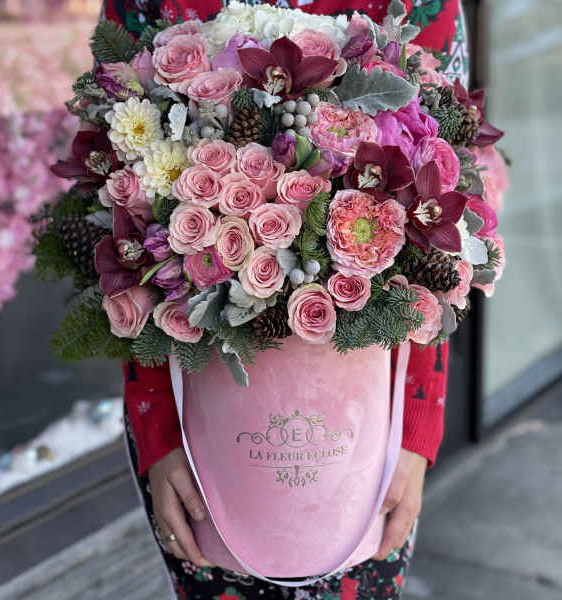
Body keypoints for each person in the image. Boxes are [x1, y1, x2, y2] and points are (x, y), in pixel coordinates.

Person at [106, 1, 469, 597]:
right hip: (196, 420)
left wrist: (415, 431)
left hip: (368, 426)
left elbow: (446, 216)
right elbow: (117, 222)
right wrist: (158, 432)